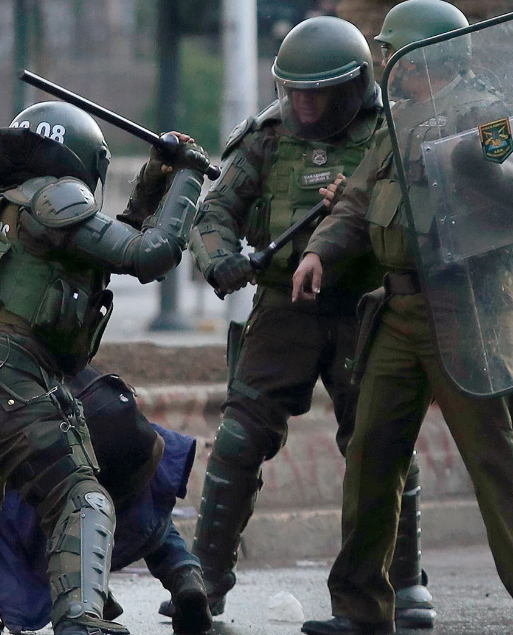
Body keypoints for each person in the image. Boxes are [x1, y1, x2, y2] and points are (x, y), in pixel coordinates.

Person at [290, 1, 513, 634]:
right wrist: (318, 252)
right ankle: (361, 609)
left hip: (466, 308)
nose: (384, 63)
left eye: (393, 52)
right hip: (398, 311)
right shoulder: (399, 121)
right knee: (370, 457)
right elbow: (359, 202)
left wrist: (469, 162)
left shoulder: (488, 112)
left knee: (494, 461)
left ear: (428, 56)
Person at [0, 101, 208, 635]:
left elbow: (105, 246)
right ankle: (80, 619)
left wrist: (152, 181)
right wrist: (188, 175)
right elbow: (152, 253)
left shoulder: (4, 209)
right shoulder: (57, 196)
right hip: (2, 379)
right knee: (80, 495)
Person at [179, 14, 435, 630]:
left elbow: (432, 208)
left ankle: (404, 583)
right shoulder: (267, 137)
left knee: (380, 440)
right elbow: (215, 212)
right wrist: (220, 262)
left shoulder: (391, 133)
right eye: (294, 92)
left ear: (352, 86)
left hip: (367, 307)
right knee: (240, 436)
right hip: (283, 309)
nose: (305, 104)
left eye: (317, 92)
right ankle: (202, 583)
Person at [0, 365, 208, 634]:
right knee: (145, 504)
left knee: (25, 513)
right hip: (116, 424)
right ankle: (183, 574)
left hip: (62, 449)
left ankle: (82, 601)